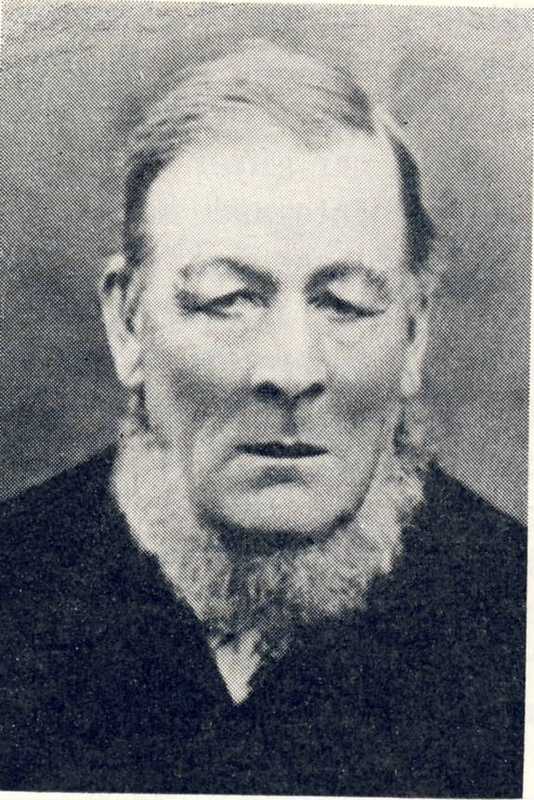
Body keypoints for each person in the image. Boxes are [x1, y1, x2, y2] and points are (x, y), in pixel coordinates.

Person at [0, 40, 526, 797]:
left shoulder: (513, 608)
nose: (291, 370)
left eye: (344, 302)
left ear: (414, 333)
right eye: (229, 299)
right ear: (127, 324)